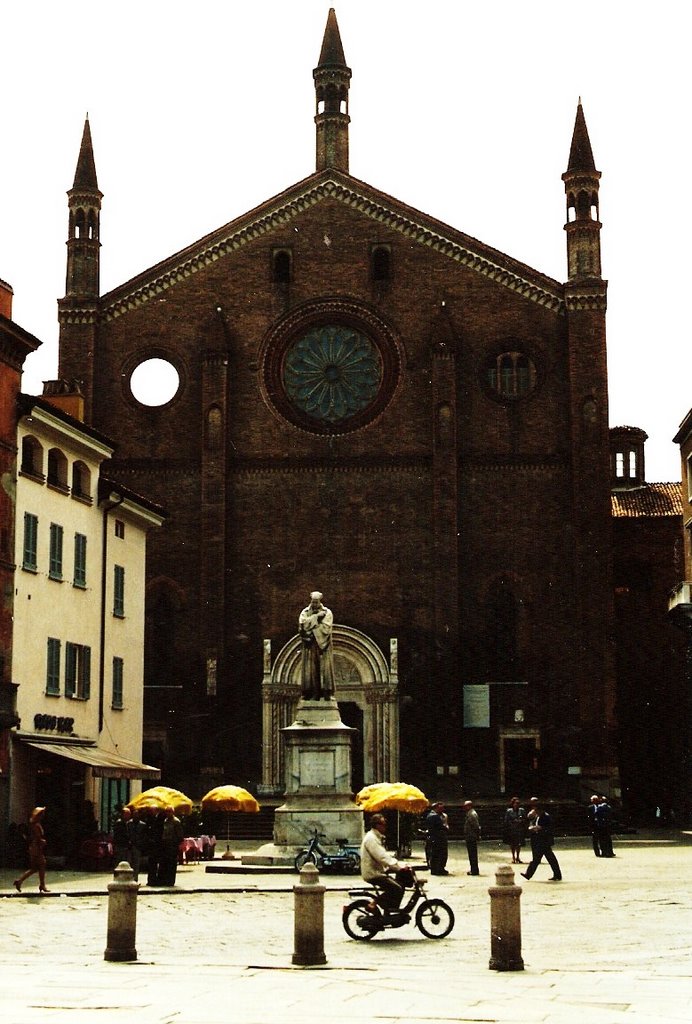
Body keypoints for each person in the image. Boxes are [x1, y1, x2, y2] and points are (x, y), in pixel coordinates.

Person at [360, 813, 411, 912]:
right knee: (397, 889)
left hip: (378, 871)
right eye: (383, 824)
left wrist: (398, 865)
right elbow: (381, 857)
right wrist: (397, 867)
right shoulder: (371, 839)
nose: (385, 826)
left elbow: (384, 855)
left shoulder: (376, 837)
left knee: (399, 883)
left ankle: (390, 908)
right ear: (377, 825)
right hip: (373, 873)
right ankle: (374, 904)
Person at [298, 591, 335, 699]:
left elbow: (326, 629)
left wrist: (311, 626)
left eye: (316, 602)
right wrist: (316, 617)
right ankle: (311, 693)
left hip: (323, 645)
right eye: (313, 602)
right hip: (310, 644)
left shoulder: (327, 612)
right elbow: (302, 626)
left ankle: (327, 693)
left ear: (320, 601)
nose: (314, 604)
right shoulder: (305, 612)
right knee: (310, 670)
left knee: (325, 668)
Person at [521, 798, 562, 881]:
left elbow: (549, 828)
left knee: (539, 859)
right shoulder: (538, 816)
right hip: (540, 840)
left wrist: (540, 828)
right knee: (549, 859)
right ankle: (557, 874)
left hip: (544, 841)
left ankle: (528, 874)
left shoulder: (546, 817)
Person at [13, 806, 50, 893]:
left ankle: (20, 881)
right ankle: (42, 885)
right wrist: (42, 841)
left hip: (34, 847)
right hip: (37, 847)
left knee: (35, 868)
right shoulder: (36, 825)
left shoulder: (34, 824)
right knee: (41, 865)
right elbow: (37, 838)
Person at [158, 805, 184, 886]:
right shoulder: (165, 820)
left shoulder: (176, 822)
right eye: (167, 811)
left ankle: (170, 881)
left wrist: (177, 844)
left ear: (173, 812)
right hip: (165, 845)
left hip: (172, 845)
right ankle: (164, 880)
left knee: (172, 864)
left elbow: (180, 835)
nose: (168, 813)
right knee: (165, 863)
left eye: (169, 811)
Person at [424, 802, 450, 875]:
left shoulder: (429, 815)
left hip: (433, 837)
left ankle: (435, 869)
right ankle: (438, 869)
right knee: (439, 854)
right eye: (440, 808)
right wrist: (446, 828)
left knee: (435, 854)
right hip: (438, 838)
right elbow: (440, 827)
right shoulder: (435, 816)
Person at [503, 796, 526, 864]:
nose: (517, 805)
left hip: (519, 829)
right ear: (513, 804)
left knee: (518, 844)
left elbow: (525, 819)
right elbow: (506, 820)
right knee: (512, 844)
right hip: (512, 829)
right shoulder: (509, 811)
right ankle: (513, 857)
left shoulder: (522, 810)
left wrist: (521, 821)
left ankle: (518, 857)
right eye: (516, 803)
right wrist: (513, 822)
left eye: (518, 803)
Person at [128, 808, 147, 881]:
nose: (135, 815)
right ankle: (129, 878)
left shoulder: (142, 825)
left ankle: (135, 878)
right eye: (134, 814)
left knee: (136, 863)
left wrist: (141, 844)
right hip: (130, 846)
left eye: (137, 814)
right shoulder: (129, 823)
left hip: (138, 846)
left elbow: (144, 836)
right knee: (129, 863)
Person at [463, 799, 481, 875]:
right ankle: (473, 869)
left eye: (465, 806)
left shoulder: (472, 814)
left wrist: (477, 835)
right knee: (472, 854)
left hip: (471, 836)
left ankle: (474, 870)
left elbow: (476, 826)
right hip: (470, 835)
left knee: (472, 854)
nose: (464, 808)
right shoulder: (469, 813)